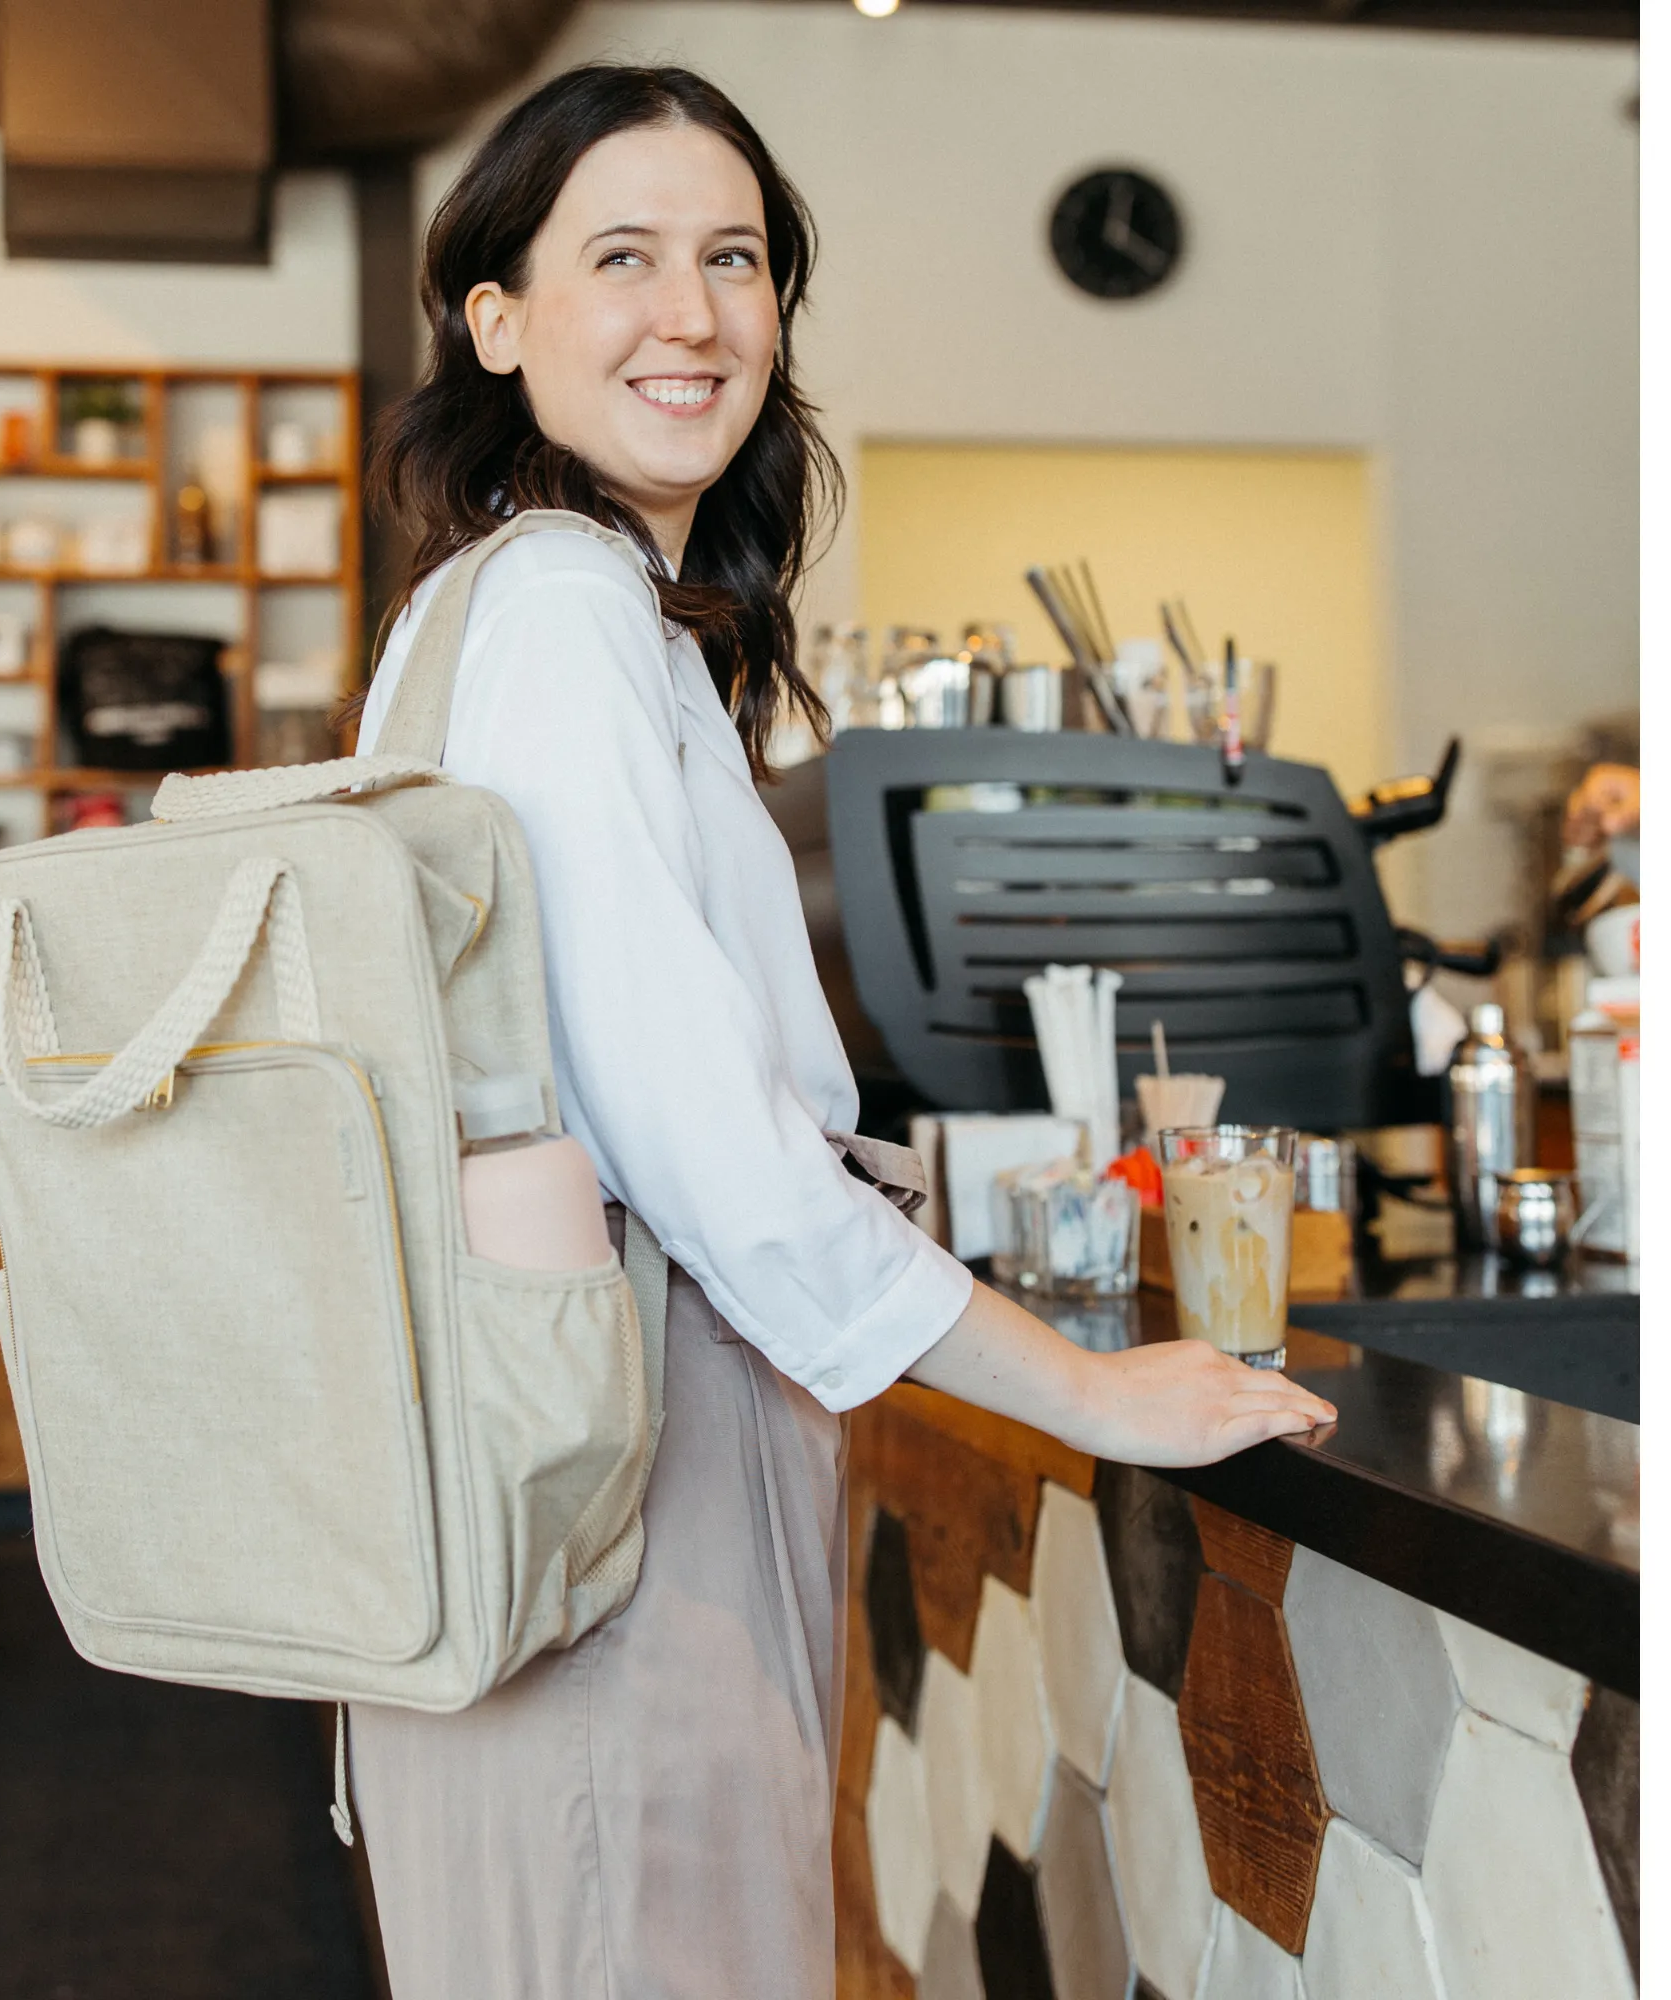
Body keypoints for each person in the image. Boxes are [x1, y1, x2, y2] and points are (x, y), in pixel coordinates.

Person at [347, 66, 1337, 1999]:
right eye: (619, 256)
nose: (693, 311)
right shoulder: (557, 606)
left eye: (734, 257)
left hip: (549, 1454)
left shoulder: (516, 608)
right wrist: (1086, 1385)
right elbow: (693, 1130)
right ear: (496, 318)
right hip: (631, 1450)